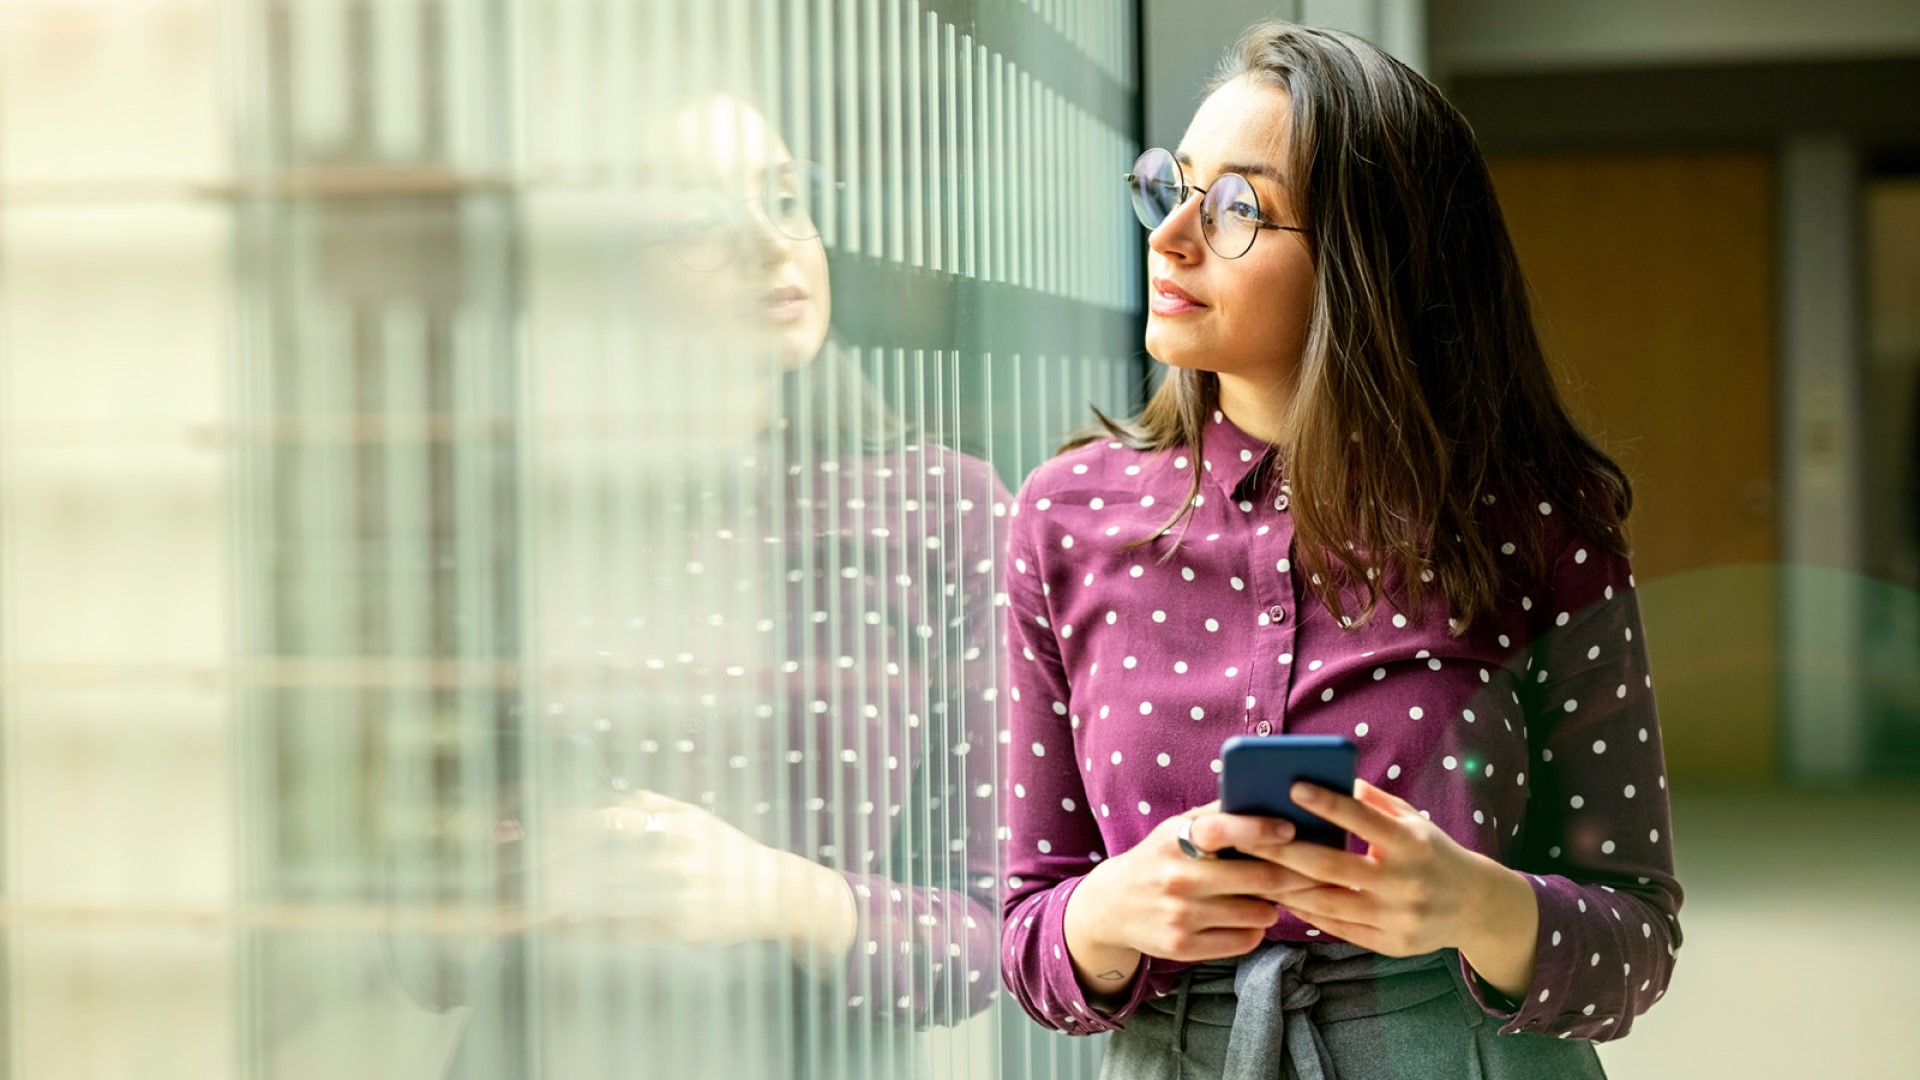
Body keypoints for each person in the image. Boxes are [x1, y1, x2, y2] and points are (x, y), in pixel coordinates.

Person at [999, 22, 1682, 1079]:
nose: (1171, 236)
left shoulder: (1541, 524)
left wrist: (1473, 903)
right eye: (1173, 187)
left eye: (1237, 209)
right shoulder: (1065, 518)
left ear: (1375, 260)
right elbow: (1028, 935)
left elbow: (1635, 943)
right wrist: (1108, 910)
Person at [385, 91, 1010, 1080]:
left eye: (786, 198)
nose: (772, 246)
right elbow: (414, 946)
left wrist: (770, 895)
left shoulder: (943, 513)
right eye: (698, 223)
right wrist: (530, 882)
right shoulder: (522, 517)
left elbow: (996, 942)